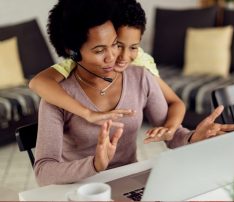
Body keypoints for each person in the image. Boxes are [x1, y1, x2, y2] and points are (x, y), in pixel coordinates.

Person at [34, 0, 234, 186]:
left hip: (129, 183)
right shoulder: (57, 97)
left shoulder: (140, 78)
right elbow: (43, 171)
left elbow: (172, 136)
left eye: (114, 44)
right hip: (81, 189)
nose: (112, 56)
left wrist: (193, 137)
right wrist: (95, 164)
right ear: (73, 52)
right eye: (99, 50)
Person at [29, 0, 185, 140]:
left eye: (114, 44)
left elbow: (175, 103)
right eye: (117, 45)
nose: (118, 56)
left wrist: (170, 129)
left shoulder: (139, 65)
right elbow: (38, 82)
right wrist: (87, 114)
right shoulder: (75, 63)